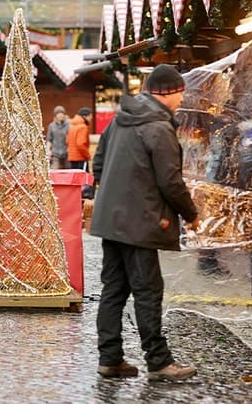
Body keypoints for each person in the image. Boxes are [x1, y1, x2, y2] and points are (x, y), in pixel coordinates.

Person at [90, 64, 199, 382]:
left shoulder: (120, 119)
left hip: (112, 220)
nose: (182, 99)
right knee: (148, 291)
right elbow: (170, 181)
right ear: (167, 92)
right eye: (180, 93)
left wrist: (114, 198)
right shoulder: (158, 127)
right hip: (141, 222)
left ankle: (110, 359)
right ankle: (159, 362)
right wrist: (191, 214)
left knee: (114, 289)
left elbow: (99, 163)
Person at [66, 107, 92, 172]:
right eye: (90, 116)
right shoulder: (83, 127)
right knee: (83, 177)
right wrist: (88, 155)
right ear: (84, 116)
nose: (91, 118)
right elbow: (80, 144)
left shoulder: (72, 126)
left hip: (72, 158)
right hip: (81, 158)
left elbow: (67, 141)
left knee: (74, 177)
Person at [46, 105, 70, 169]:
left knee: (68, 171)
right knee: (54, 170)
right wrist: (48, 150)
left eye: (62, 113)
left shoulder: (68, 125)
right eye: (58, 113)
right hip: (55, 153)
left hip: (67, 153)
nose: (60, 115)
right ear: (55, 115)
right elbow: (49, 139)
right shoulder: (51, 126)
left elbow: (71, 138)